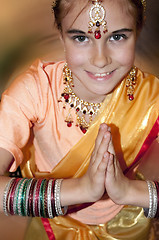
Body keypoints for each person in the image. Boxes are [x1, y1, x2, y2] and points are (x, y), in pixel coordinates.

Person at [0, 0, 159, 239]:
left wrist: (127, 191)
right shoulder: (34, 91)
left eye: (117, 37)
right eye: (81, 38)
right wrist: (81, 190)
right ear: (61, 35)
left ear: (138, 30)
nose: (100, 59)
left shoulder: (151, 98)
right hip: (51, 227)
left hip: (129, 227)